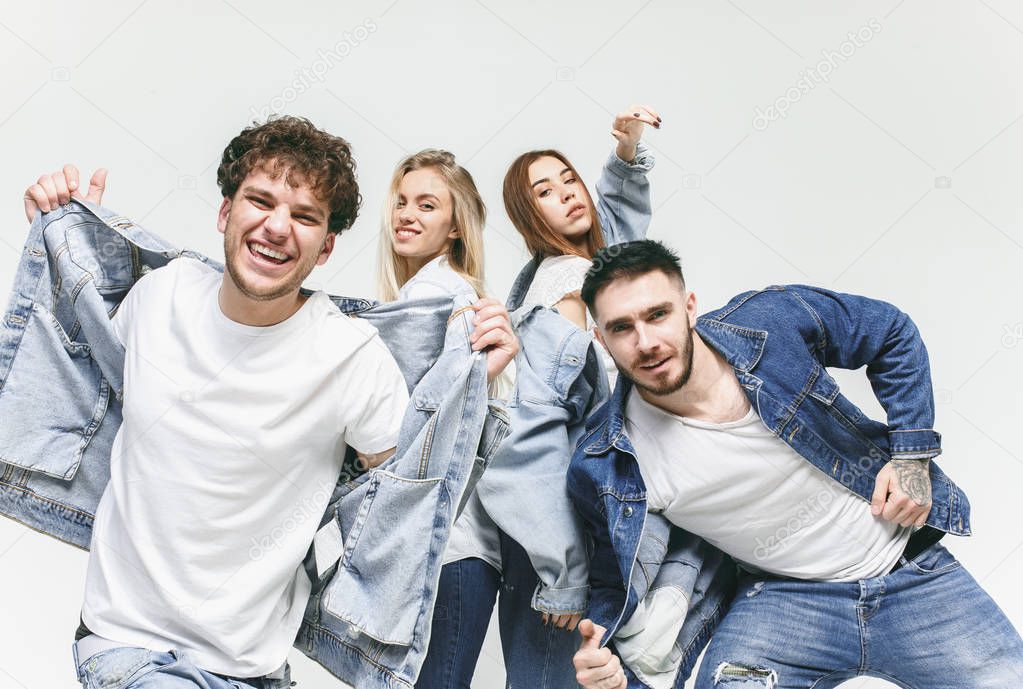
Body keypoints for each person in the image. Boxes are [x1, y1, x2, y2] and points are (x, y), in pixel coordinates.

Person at [21, 116, 519, 689]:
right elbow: (74, 375)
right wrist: (66, 235)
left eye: (305, 216)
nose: (278, 227)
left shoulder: (351, 355)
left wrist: (473, 388)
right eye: (260, 201)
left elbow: (403, 499)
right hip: (129, 648)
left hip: (254, 670)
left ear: (326, 246)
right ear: (224, 213)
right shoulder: (161, 293)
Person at [569, 240, 1023, 689]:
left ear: (689, 307)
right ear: (600, 339)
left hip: (911, 574)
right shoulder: (607, 460)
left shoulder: (769, 323)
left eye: (657, 315)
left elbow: (890, 333)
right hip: (783, 602)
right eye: (622, 328)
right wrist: (606, 655)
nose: (646, 343)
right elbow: (619, 580)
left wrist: (911, 458)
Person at [503, 104, 660, 383]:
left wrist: (628, 147)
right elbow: (579, 391)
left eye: (570, 180)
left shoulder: (597, 259)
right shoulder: (568, 276)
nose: (566, 194)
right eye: (545, 191)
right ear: (527, 215)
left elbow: (617, 216)